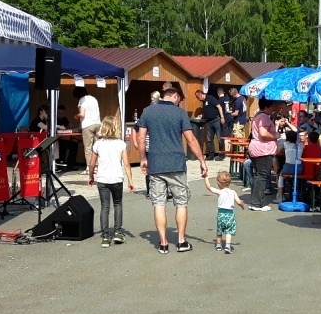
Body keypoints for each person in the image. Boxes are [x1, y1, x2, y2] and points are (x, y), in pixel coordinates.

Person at [135, 88, 208, 254]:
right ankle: (181, 241)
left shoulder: (148, 111)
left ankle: (163, 243)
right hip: (176, 163)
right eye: (179, 99)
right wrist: (202, 161)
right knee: (181, 202)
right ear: (175, 96)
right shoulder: (180, 113)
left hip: (156, 163)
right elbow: (190, 139)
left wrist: (143, 158)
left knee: (159, 203)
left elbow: (140, 137)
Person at [88, 115, 133, 248]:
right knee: (117, 204)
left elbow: (92, 163)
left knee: (105, 206)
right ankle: (118, 232)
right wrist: (130, 180)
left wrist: (91, 176)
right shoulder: (121, 144)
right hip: (117, 178)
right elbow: (126, 164)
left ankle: (105, 236)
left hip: (102, 178)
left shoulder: (98, 144)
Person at [246, 99, 284, 212]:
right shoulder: (264, 117)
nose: (273, 108)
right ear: (267, 107)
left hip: (256, 148)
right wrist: (275, 136)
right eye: (272, 106)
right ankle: (257, 203)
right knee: (262, 176)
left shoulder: (258, 115)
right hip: (263, 150)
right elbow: (263, 133)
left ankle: (257, 201)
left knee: (258, 175)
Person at [203, 171, 245, 254]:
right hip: (230, 214)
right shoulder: (233, 192)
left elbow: (209, 187)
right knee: (229, 230)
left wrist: (206, 177)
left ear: (219, 183)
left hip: (221, 214)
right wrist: (242, 206)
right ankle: (227, 246)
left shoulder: (220, 192)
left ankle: (218, 245)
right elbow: (239, 202)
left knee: (220, 229)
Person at [74, 87, 101, 173]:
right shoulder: (94, 99)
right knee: (97, 146)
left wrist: (76, 116)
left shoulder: (82, 100)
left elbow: (82, 114)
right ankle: (97, 166)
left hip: (87, 125)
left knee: (88, 147)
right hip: (97, 123)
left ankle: (89, 168)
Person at [196, 89, 225, 160]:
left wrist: (222, 117)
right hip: (208, 121)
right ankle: (211, 155)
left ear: (200, 95)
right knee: (209, 139)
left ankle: (221, 155)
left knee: (219, 138)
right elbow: (208, 111)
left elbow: (219, 107)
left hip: (216, 120)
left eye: (198, 97)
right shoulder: (204, 102)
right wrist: (202, 115)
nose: (198, 99)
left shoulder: (210, 98)